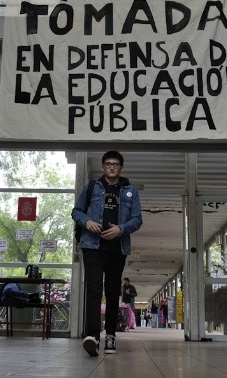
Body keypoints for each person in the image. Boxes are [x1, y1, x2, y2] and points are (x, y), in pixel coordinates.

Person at [71, 150, 142, 356]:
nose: (112, 167)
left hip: (117, 249)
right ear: (103, 167)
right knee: (94, 289)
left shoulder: (130, 190)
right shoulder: (93, 187)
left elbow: (137, 219)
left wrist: (121, 229)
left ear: (121, 167)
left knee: (112, 293)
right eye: (108, 164)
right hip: (92, 246)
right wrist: (87, 221)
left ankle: (110, 336)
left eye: (116, 164)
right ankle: (92, 335)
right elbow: (76, 211)